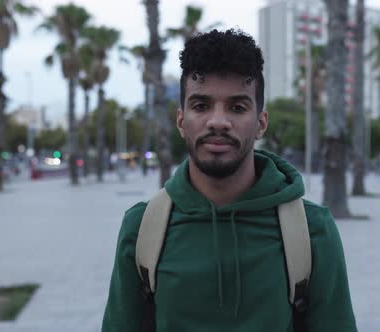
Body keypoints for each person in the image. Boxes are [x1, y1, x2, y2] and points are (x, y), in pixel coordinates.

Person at [102, 29, 357, 332]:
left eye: (237, 107)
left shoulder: (312, 229)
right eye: (201, 106)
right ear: (181, 121)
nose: (218, 121)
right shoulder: (143, 228)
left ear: (261, 123)